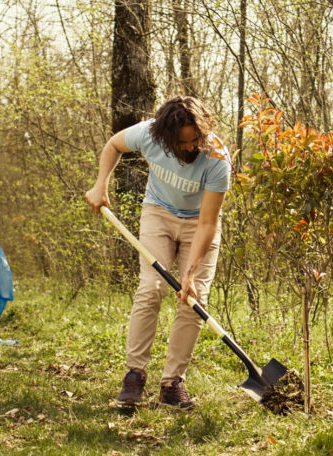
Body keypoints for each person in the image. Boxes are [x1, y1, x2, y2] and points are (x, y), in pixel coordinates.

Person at [85, 96, 231, 409]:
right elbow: (113, 145)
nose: (192, 147)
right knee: (150, 288)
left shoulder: (217, 158)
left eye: (197, 140)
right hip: (158, 214)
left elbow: (207, 223)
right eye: (184, 142)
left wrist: (189, 274)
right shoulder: (149, 134)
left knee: (193, 301)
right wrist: (101, 186)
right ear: (165, 138)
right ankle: (134, 375)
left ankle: (172, 384)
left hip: (198, 224)